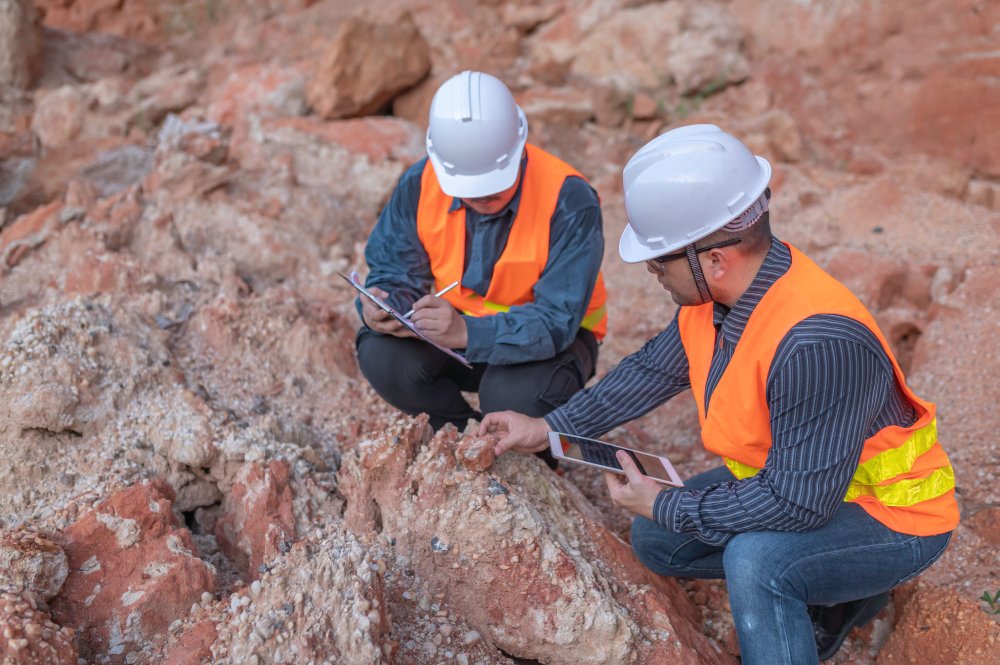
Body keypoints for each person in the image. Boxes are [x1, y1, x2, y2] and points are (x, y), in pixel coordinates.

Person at [480, 124, 958, 663]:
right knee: (657, 540)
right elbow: (649, 373)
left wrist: (670, 502)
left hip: (891, 516)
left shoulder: (816, 342)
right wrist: (547, 428)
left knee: (758, 562)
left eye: (659, 259)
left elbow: (798, 505)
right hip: (803, 483)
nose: (651, 271)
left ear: (713, 259)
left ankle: (842, 591)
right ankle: (839, 594)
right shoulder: (715, 301)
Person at [355, 71, 607, 461]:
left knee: (510, 400)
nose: (484, 195)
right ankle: (463, 440)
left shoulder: (569, 198)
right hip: (454, 335)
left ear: (520, 145)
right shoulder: (421, 182)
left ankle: (540, 455)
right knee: (381, 355)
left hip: (550, 347)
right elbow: (394, 268)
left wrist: (466, 331)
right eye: (471, 188)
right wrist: (383, 306)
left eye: (494, 184)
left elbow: (557, 320)